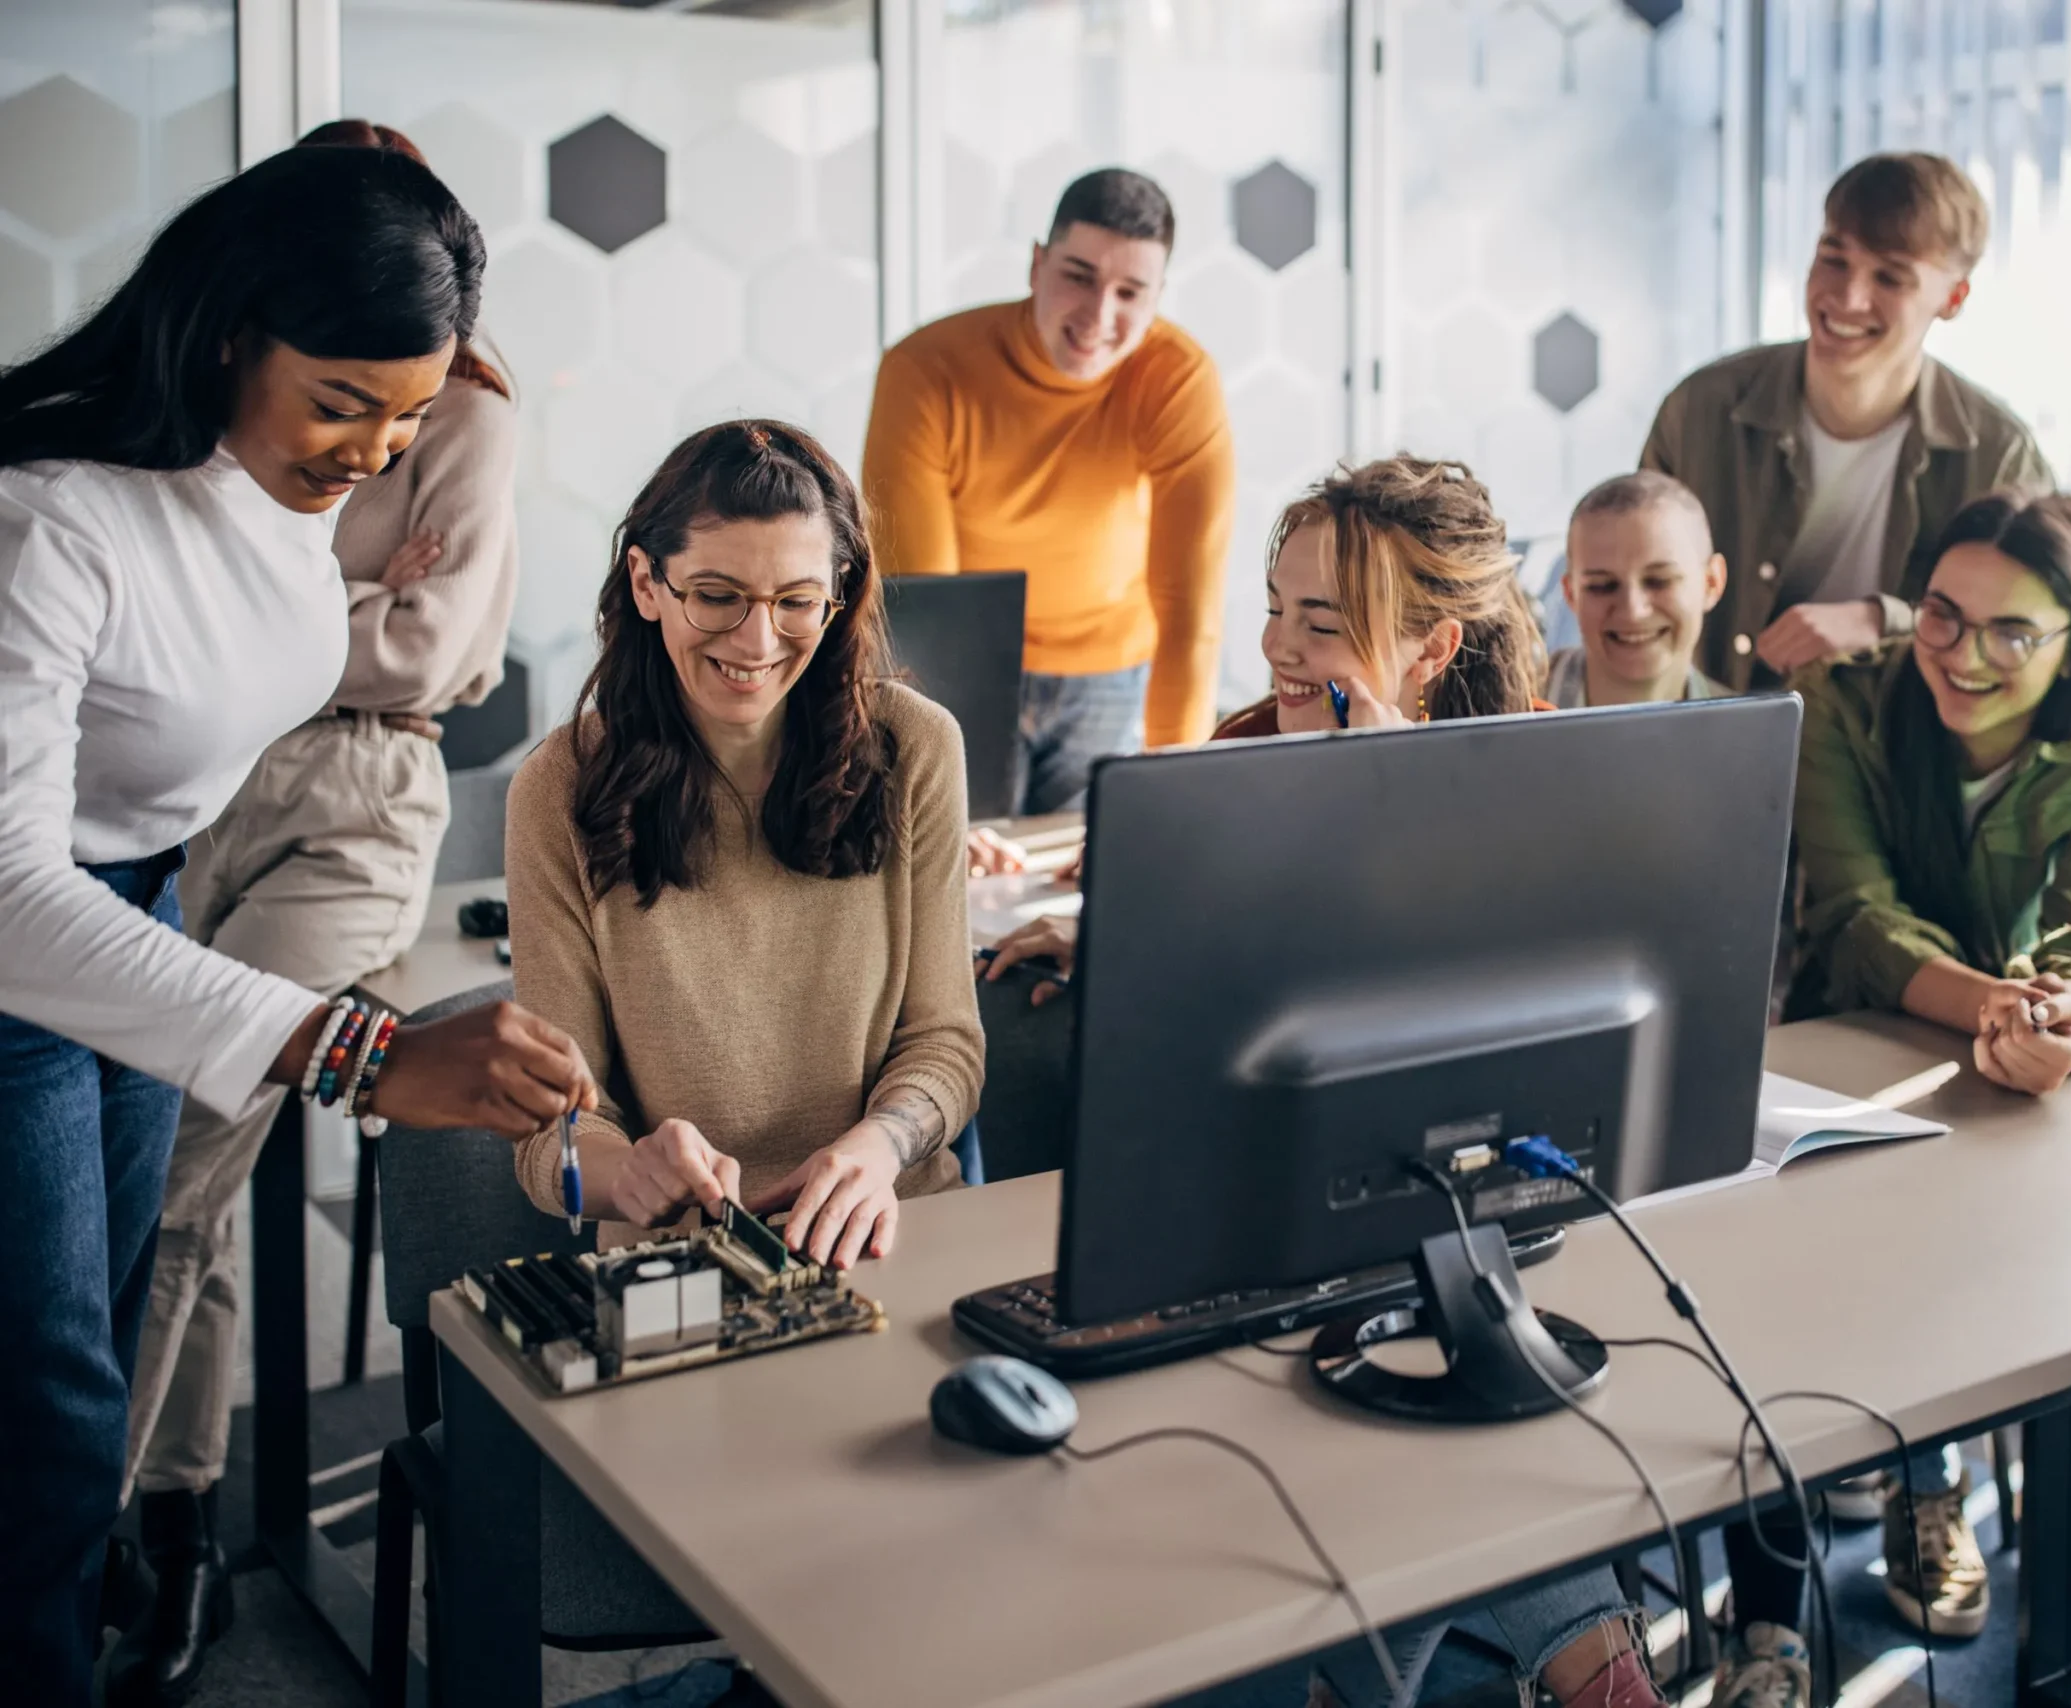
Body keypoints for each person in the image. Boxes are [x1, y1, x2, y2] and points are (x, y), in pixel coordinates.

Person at [0, 144, 595, 1708]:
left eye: (406, 420)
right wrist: (354, 1048)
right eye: (344, 402)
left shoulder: (260, 474)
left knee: (102, 1343)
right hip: (26, 956)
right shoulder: (52, 516)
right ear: (224, 329)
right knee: (54, 1419)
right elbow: (6, 896)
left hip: (145, 895)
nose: (374, 454)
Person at [986, 457, 1680, 1708]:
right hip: (1257, 1217)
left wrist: (1386, 788)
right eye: (1275, 606)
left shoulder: (1525, 785)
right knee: (1434, 1371)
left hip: (1463, 1213)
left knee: (1431, 1351)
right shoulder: (1247, 748)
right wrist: (1118, 924)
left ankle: (1399, 1682)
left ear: (1429, 650)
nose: (1278, 646)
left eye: (1321, 620)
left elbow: (1485, 1029)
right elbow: (1221, 988)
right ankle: (1583, 1652)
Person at [105, 118, 524, 1705]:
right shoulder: (216, 395)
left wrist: (299, 617)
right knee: (167, 1184)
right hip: (191, 781)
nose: (361, 436)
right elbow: (177, 615)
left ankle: (79, 1552)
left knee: (182, 1152)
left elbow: (432, 657)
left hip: (355, 802)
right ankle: (181, 1522)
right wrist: (352, 597)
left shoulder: (463, 415)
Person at [1783, 490, 2071, 1645]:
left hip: (2021, 1049)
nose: (1963, 655)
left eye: (2012, 632)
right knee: (1898, 1237)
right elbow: (1856, 917)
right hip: (1859, 1038)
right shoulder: (1845, 704)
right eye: (1943, 618)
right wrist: (2003, 1005)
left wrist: (2065, 1008)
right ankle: (1924, 1491)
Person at [506, 420, 981, 1275]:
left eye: (796, 601)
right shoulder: (557, 789)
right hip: (684, 1268)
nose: (759, 643)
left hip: (894, 1235)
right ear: (648, 583)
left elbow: (946, 1043)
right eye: (718, 597)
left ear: (838, 592)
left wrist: (878, 1146)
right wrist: (627, 1174)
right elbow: (554, 1138)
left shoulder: (917, 747)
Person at [864, 167, 1235, 822]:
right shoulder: (926, 370)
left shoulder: (1179, 380)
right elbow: (925, 602)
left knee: (1090, 884)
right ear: (1037, 264)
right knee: (958, 868)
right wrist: (932, 776)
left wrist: (1177, 787)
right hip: (968, 676)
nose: (1099, 316)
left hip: (1112, 677)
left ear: (1158, 296)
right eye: (1079, 276)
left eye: (1130, 292)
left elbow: (1189, 606)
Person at [1640, 151, 2050, 691]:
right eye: (1834, 259)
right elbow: (1635, 589)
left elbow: (2027, 633)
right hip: (1712, 738)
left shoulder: (2000, 454)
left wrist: (1883, 620)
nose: (1849, 297)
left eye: (1890, 278)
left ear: (1953, 298)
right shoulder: (1701, 410)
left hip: (1895, 757)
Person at [1546, 470, 1730, 708]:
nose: (1633, 611)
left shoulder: (1755, 735)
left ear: (1711, 582)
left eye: (1659, 580)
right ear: (1570, 594)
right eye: (1602, 586)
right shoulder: (1499, 713)